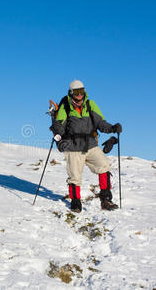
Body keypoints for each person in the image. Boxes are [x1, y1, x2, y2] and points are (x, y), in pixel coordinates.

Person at [50, 80, 122, 213]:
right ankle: (76, 202)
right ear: (71, 93)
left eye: (81, 91)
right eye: (76, 92)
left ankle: (106, 199)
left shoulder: (90, 104)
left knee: (104, 165)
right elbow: (59, 126)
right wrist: (58, 136)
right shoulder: (65, 106)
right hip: (73, 147)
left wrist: (112, 128)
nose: (79, 95)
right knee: (75, 176)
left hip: (90, 144)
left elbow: (101, 123)